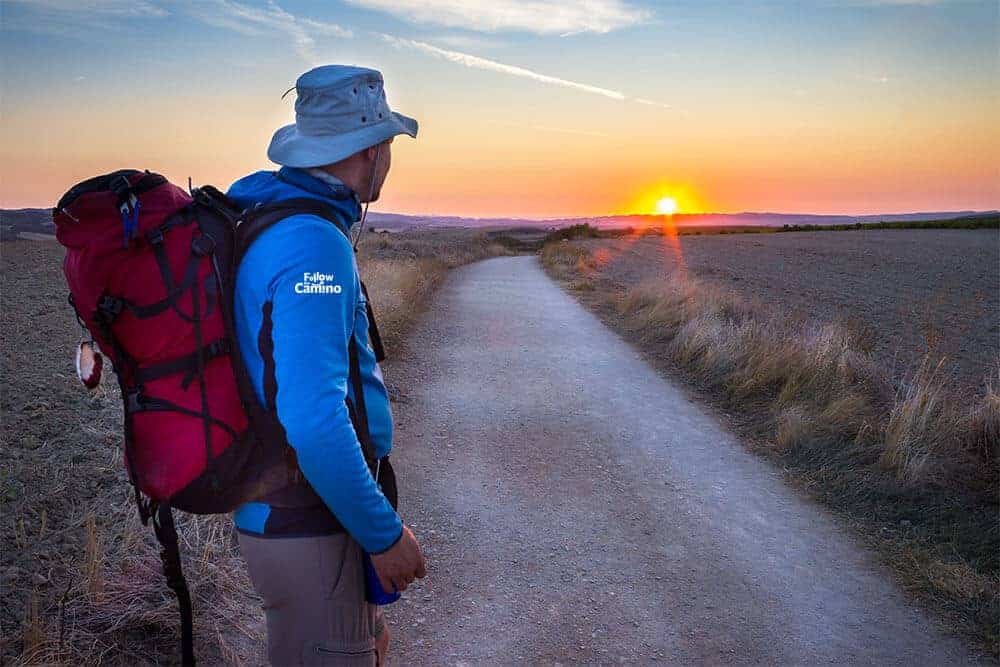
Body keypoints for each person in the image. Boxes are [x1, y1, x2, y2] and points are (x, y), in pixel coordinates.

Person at [226, 65, 427, 666]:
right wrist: (382, 534)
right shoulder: (314, 242)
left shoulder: (271, 215)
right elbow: (314, 417)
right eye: (388, 146)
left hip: (288, 510)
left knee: (365, 647)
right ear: (370, 151)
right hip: (307, 519)